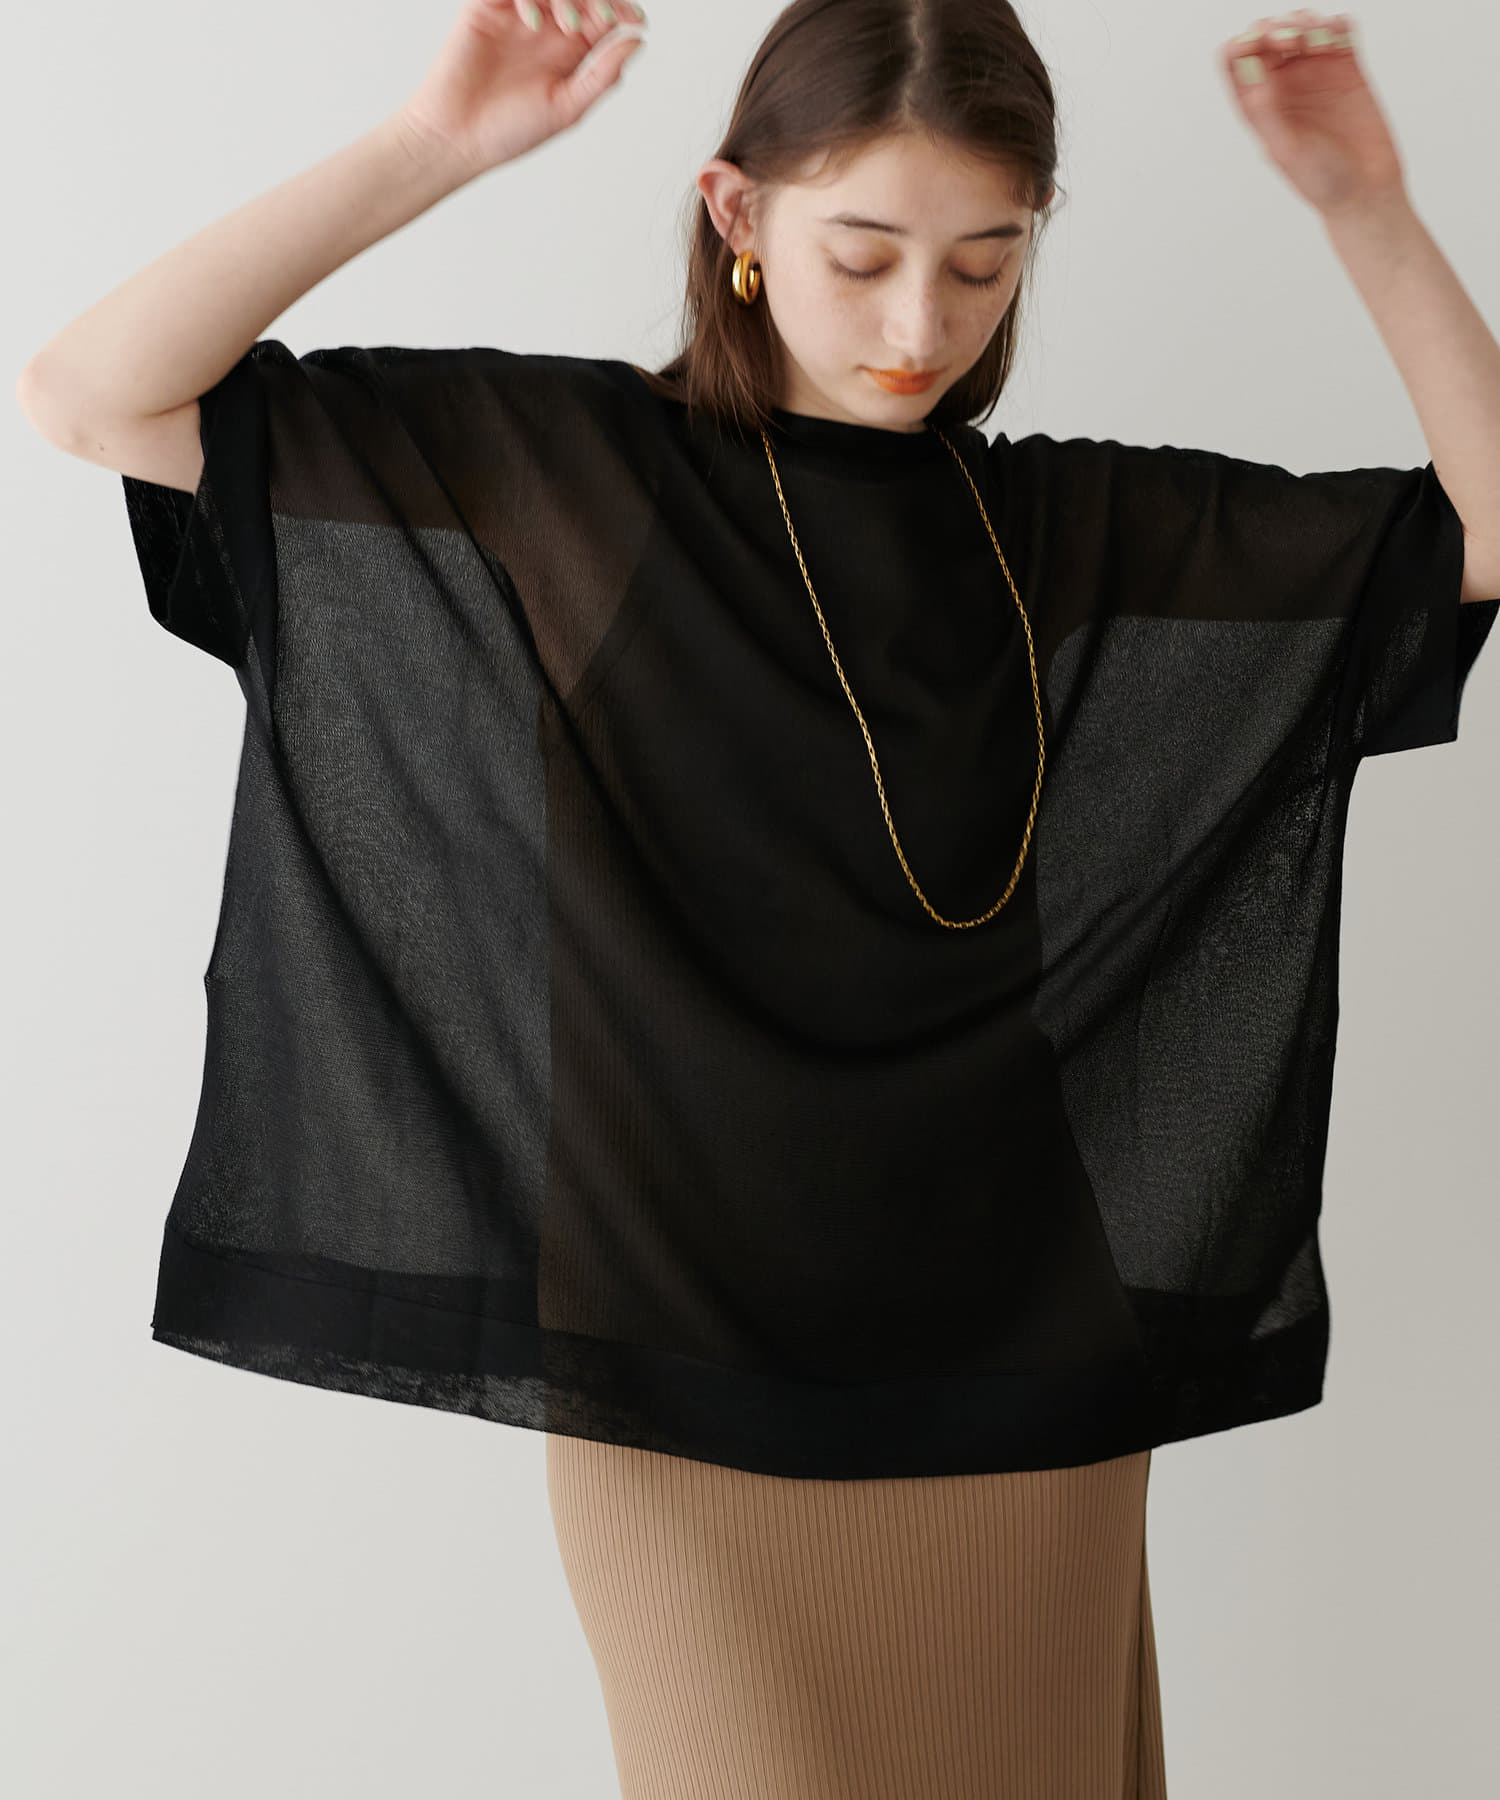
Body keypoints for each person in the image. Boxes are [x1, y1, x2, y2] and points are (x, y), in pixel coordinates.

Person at [18, 3, 1498, 1796]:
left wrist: (1366, 208)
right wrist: (437, 146)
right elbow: (95, 394)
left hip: (1020, 1372)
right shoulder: (556, 476)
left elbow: (1485, 534)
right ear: (735, 215)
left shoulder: (1070, 538)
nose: (919, 326)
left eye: (983, 264)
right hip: (668, 1374)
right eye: (861, 255)